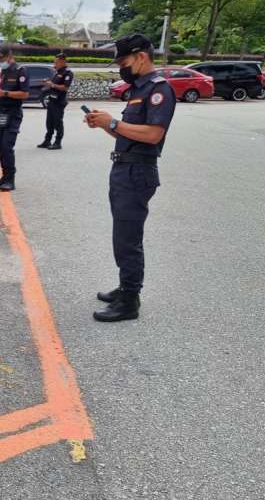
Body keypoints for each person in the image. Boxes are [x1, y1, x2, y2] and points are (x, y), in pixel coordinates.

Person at [83, 34, 175, 322]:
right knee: (121, 235)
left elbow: (153, 134)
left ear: (141, 57)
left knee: (128, 238)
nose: (121, 67)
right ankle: (125, 288)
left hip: (138, 172)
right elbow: (125, 130)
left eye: (124, 61)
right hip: (124, 169)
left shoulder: (158, 90)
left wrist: (112, 121)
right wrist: (104, 124)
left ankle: (130, 300)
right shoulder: (137, 89)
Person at [0, 48, 30, 192]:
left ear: (9, 57)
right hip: (2, 112)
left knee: (7, 146)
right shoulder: (5, 72)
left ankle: (10, 180)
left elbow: (25, 94)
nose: (0, 63)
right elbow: (4, 90)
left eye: (2, 60)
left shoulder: (21, 71)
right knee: (0, 146)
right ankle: (4, 176)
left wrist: (5, 93)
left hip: (13, 113)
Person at [39, 53, 74, 150]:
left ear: (63, 62)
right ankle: (47, 141)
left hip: (59, 101)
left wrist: (52, 85)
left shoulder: (68, 73)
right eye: (54, 62)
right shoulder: (57, 72)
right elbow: (53, 84)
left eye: (56, 62)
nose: (54, 64)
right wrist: (48, 83)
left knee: (58, 123)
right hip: (51, 100)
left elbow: (65, 88)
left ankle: (58, 142)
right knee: (49, 122)